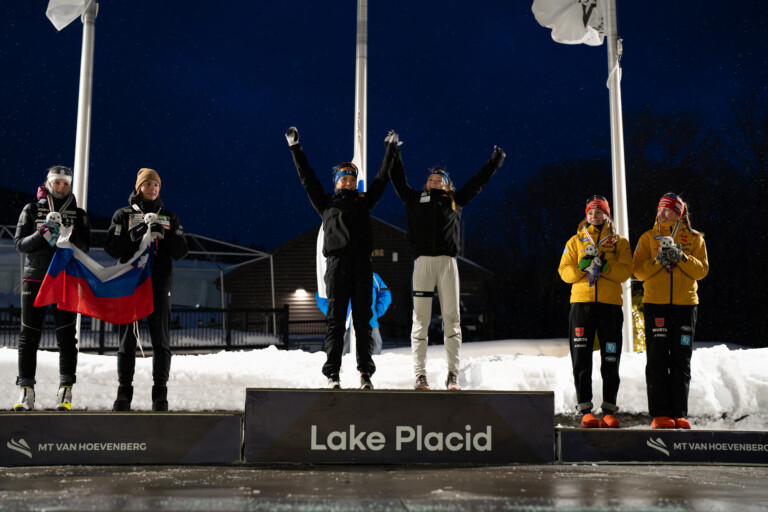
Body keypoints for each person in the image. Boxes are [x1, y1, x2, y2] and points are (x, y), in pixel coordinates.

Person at [389, 136, 505, 390]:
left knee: (452, 319)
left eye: (439, 179)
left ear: (447, 184)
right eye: (431, 179)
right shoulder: (414, 199)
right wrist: (393, 150)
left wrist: (495, 162)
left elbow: (478, 182)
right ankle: (420, 374)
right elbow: (397, 179)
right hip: (422, 264)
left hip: (447, 265)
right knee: (420, 320)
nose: (434, 181)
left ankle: (453, 373)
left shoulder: (455, 200)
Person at [287, 126, 397, 390]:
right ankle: (333, 374)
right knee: (335, 323)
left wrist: (391, 150)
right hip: (336, 267)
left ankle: (365, 374)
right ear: (336, 182)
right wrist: (295, 147)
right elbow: (307, 178)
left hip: (362, 267)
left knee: (363, 322)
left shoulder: (364, 202)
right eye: (343, 179)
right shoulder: (326, 203)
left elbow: (382, 179)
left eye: (352, 179)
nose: (348, 182)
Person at [105, 168, 188, 411]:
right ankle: (124, 394)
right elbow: (111, 248)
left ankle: (159, 395)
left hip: (159, 285)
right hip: (130, 285)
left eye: (156, 185)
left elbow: (181, 251)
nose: (152, 188)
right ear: (139, 187)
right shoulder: (123, 214)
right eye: (148, 184)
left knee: (161, 341)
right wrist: (135, 234)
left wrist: (165, 236)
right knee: (127, 341)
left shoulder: (169, 216)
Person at [12, 165, 90, 411]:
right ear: (48, 183)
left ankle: (65, 391)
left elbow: (85, 248)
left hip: (65, 280)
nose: (61, 187)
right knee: (28, 336)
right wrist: (42, 233)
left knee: (66, 338)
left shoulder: (78, 214)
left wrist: (70, 234)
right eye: (57, 182)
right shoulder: (31, 209)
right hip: (35, 280)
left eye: (65, 183)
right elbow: (19, 244)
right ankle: (26, 391)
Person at [633, 192, 709, 430]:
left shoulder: (695, 238)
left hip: (686, 305)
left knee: (681, 360)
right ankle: (660, 414)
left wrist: (681, 257)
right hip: (656, 305)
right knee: (657, 360)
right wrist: (658, 260)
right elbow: (638, 271)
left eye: (667, 209)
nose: (662, 213)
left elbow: (702, 271)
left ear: (679, 213)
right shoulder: (648, 237)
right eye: (660, 209)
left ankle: (680, 414)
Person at [557, 196, 632, 428]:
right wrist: (583, 267)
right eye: (590, 212)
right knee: (581, 359)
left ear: (607, 215)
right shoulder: (576, 240)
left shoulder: (619, 242)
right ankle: (586, 411)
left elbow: (625, 271)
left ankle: (609, 411)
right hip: (581, 304)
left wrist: (604, 265)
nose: (594, 216)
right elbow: (564, 271)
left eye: (599, 212)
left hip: (610, 306)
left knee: (610, 358)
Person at [315, 272, 392, 355]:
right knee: (344, 357)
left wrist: (377, 311)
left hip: (370, 324)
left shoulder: (372, 276)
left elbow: (385, 293)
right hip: (344, 326)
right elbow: (321, 296)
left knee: (373, 356)